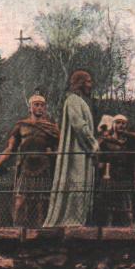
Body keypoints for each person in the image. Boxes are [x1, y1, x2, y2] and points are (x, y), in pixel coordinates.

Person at [0, 94, 60, 227]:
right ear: (30, 107)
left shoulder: (51, 127)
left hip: (43, 168)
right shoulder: (21, 126)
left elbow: (60, 149)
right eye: (36, 105)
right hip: (25, 168)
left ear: (45, 108)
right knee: (20, 201)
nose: (39, 108)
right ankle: (18, 229)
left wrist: (52, 153)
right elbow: (10, 148)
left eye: (42, 105)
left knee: (41, 202)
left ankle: (41, 234)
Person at [43, 70, 100, 227]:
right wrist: (93, 144)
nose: (91, 84)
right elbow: (79, 125)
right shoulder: (73, 100)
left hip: (83, 151)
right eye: (88, 81)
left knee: (81, 184)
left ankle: (79, 219)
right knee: (75, 182)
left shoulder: (81, 101)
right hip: (76, 151)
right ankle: (71, 220)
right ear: (80, 83)